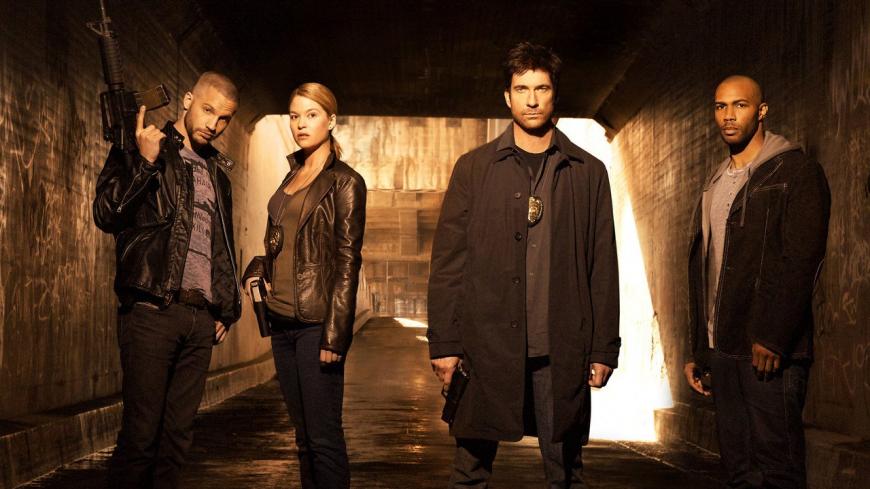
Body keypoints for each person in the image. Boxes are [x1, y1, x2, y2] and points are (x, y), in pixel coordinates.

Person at [427, 42, 621, 489]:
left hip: (561, 349)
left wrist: (603, 348)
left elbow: (602, 265)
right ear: (507, 97)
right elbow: (449, 262)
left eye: (541, 88)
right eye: (521, 89)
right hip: (485, 346)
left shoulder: (587, 172)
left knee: (565, 473)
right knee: (469, 472)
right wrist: (444, 342)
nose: (532, 100)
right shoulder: (474, 168)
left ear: (555, 95)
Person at [93, 71, 242, 488]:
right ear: (188, 99)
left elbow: (221, 245)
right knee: (140, 438)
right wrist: (144, 163)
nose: (213, 124)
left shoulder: (218, 174)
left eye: (224, 118)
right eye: (208, 110)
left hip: (199, 320)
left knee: (176, 441)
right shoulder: (144, 143)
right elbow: (106, 213)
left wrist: (226, 308)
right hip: (152, 309)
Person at [684, 75, 830, 489]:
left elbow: (802, 260)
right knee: (739, 470)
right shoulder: (715, 183)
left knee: (778, 469)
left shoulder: (796, 172)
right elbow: (707, 270)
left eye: (740, 105)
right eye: (720, 106)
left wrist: (774, 336)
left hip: (768, 350)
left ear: (761, 111)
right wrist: (700, 349)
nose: (728, 116)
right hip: (723, 349)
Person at [242, 82, 366, 489]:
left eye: (311, 115)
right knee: (303, 439)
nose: (300, 124)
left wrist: (335, 334)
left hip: (316, 326)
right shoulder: (290, 177)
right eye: (294, 116)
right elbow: (283, 245)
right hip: (282, 324)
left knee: (324, 439)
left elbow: (347, 260)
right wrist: (259, 266)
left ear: (331, 120)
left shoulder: (345, 182)